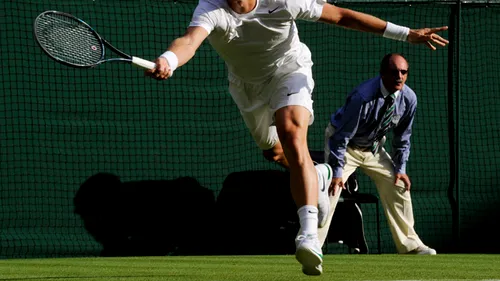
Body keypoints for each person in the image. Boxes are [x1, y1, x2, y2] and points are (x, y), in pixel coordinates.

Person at [145, 0, 448, 275]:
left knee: (292, 134)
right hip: (247, 87)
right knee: (274, 152)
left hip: (290, 71)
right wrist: (169, 59)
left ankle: (307, 235)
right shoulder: (211, 8)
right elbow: (190, 40)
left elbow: (341, 15)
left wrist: (406, 34)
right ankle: (318, 174)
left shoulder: (284, 1)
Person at [320, 53, 437, 257]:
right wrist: (337, 173)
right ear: (383, 74)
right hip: (345, 146)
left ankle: (410, 246)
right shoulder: (362, 97)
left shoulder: (409, 99)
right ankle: (312, 244)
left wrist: (400, 170)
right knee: (330, 191)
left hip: (373, 148)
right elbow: (341, 137)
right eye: (394, 72)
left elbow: (403, 137)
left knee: (399, 184)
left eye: (404, 72)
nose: (399, 77)